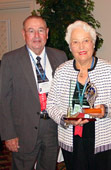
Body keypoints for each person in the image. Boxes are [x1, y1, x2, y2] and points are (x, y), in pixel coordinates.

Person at [46, 20, 111, 170]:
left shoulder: (109, 69)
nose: (81, 46)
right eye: (75, 42)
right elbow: (51, 105)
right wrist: (65, 119)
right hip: (72, 138)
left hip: (103, 139)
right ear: (70, 46)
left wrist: (105, 110)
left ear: (93, 44)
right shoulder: (62, 71)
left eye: (86, 41)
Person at [0, 15, 67, 170]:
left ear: (47, 33)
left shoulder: (60, 56)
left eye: (40, 30)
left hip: (52, 127)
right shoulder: (10, 60)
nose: (36, 36)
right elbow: (3, 99)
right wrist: (8, 134)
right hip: (23, 130)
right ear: (24, 34)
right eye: (31, 31)